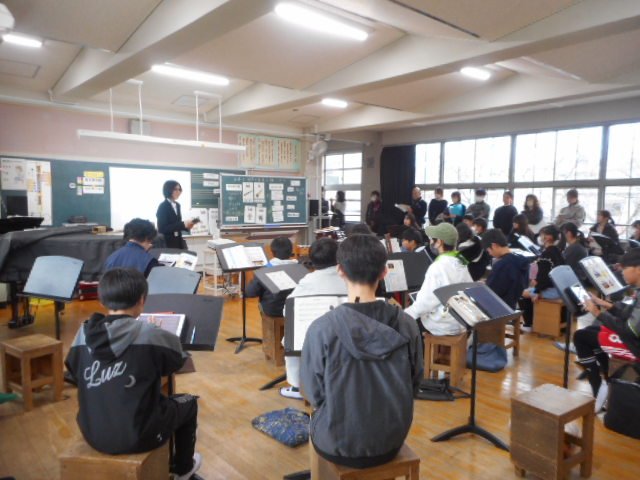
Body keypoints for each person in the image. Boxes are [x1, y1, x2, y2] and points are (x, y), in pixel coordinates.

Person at [65, 269, 201, 480]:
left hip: (91, 432)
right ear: (141, 300)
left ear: (102, 300)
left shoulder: (82, 334)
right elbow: (177, 362)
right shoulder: (151, 334)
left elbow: (74, 372)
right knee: (189, 403)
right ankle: (183, 469)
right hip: (141, 436)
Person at [300, 235, 423, 468]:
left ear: (340, 270)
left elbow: (312, 393)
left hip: (337, 442)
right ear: (384, 272)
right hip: (391, 438)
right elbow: (415, 382)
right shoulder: (407, 323)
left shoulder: (322, 328)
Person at [281, 238, 347, 400]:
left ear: (312, 259)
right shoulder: (347, 277)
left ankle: (297, 386)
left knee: (291, 337)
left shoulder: (308, 281)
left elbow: (288, 309)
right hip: (345, 334)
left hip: (314, 336)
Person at [574, 248, 640, 411]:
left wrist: (597, 312)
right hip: (633, 339)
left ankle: (599, 386)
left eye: (625, 268)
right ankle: (605, 378)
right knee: (590, 332)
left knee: (581, 337)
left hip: (635, 347)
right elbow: (629, 314)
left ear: (638, 269)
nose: (622, 273)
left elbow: (629, 329)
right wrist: (604, 304)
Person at [405, 223, 472, 335]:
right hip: (461, 321)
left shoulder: (438, 267)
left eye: (432, 240)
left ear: (439, 242)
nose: (430, 243)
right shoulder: (461, 260)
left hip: (443, 325)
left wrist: (405, 315)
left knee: (412, 325)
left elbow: (425, 303)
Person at [520, 225, 565, 330]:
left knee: (522, 293)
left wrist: (537, 291)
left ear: (548, 237)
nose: (540, 237)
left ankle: (529, 323)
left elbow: (544, 277)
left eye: (542, 235)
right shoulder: (557, 251)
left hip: (553, 291)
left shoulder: (547, 254)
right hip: (560, 288)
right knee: (530, 289)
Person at [245, 237, 297, 317]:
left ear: (272, 252)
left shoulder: (264, 270)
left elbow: (250, 293)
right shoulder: (300, 268)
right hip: (294, 310)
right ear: (291, 251)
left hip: (274, 312)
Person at [482, 229, 530, 310]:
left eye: (488, 250)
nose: (489, 253)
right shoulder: (521, 260)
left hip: (498, 308)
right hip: (512, 306)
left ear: (494, 245)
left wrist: (485, 284)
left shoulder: (502, 265)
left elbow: (491, 292)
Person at [156, 180, 196, 249]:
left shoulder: (177, 205)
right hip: (168, 243)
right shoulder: (162, 206)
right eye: (175, 189)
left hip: (178, 241)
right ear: (168, 190)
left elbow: (176, 223)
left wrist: (187, 227)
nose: (178, 192)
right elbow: (162, 228)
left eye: (179, 189)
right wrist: (183, 224)